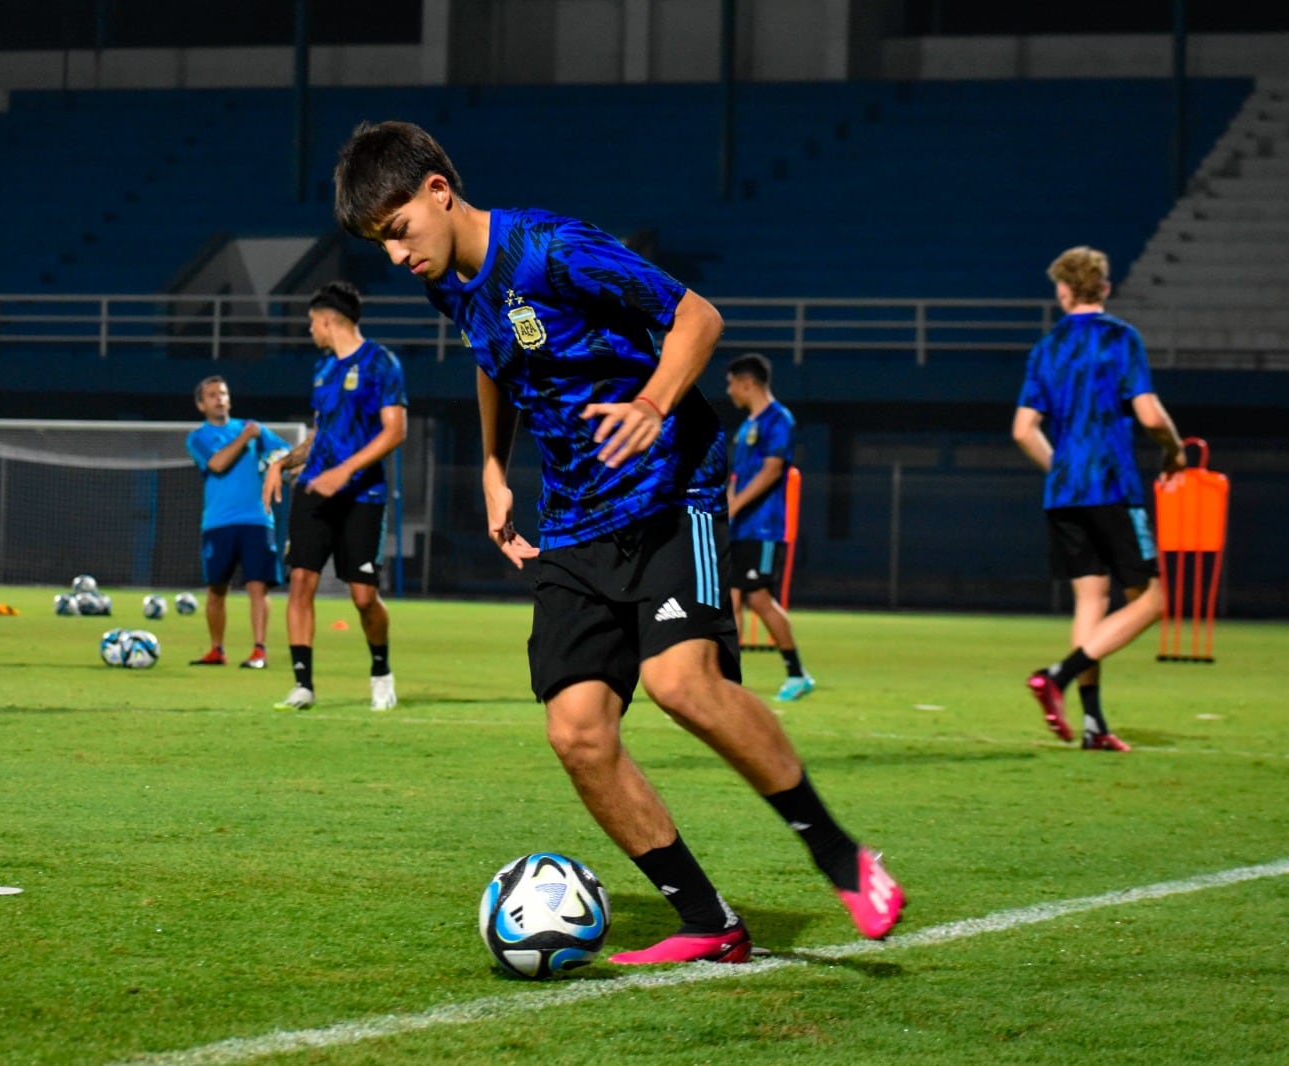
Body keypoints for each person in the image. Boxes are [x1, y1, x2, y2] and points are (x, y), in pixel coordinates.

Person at [333, 120, 904, 964]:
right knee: (577, 732)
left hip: (673, 491)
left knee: (682, 684)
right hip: (572, 515)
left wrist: (651, 405)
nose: (394, 256)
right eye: (380, 243)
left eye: (398, 231)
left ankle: (840, 856)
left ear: (439, 193)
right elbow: (493, 359)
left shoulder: (551, 249)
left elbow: (698, 318)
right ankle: (710, 922)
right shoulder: (448, 279)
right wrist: (494, 467)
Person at [1013, 246, 1188, 752]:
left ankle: (1093, 726)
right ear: (1106, 288)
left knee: (1091, 598)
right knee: (1154, 601)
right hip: (1112, 486)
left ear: (1063, 291)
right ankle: (1057, 676)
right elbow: (1151, 416)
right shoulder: (1121, 338)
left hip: (1064, 493)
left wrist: (1062, 469)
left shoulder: (1046, 348)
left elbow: (1024, 430)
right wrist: (1174, 453)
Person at [263, 281, 407, 712]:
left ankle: (381, 671)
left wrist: (343, 472)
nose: (311, 330)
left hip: (363, 494)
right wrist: (283, 462)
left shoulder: (382, 363)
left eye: (312, 322)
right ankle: (303, 685)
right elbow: (323, 434)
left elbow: (395, 431)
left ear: (328, 319)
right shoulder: (323, 369)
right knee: (301, 582)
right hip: (315, 492)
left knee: (363, 596)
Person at [185, 376, 293, 668]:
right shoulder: (199, 437)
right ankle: (216, 650)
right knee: (217, 588)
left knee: (258, 585)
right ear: (200, 404)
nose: (219, 399)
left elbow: (284, 454)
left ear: (229, 399)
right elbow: (217, 464)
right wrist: (245, 438)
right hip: (218, 522)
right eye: (211, 395)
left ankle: (259, 650)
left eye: (222, 393)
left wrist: (281, 463)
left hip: (258, 518)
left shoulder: (255, 429)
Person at [725, 353, 815, 702]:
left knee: (760, 600)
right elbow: (738, 475)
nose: (730, 390)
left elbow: (772, 470)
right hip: (740, 527)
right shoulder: (748, 425)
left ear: (747, 383)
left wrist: (737, 504)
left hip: (763, 528)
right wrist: (727, 508)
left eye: (732, 383)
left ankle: (797, 673)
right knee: (730, 600)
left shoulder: (779, 419)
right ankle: (728, 676)